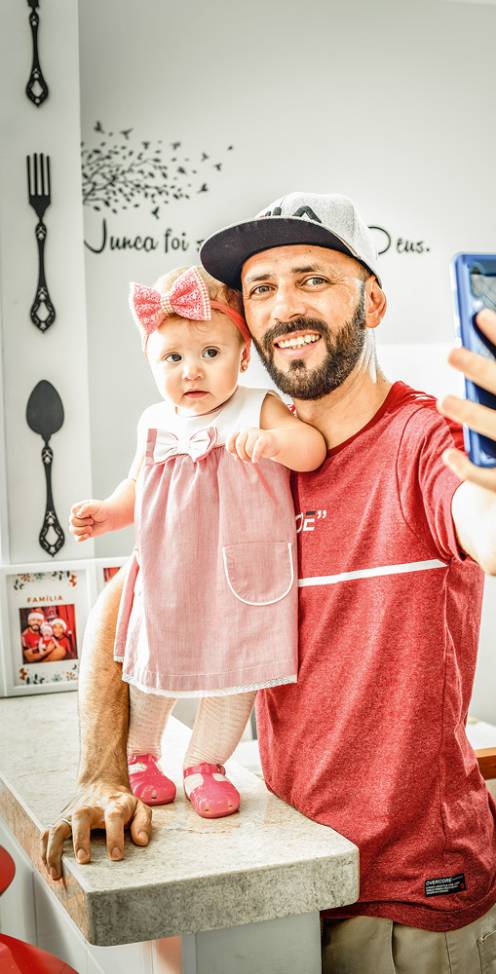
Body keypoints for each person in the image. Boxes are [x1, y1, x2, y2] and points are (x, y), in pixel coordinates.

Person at [42, 193, 496, 973]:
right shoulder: (235, 452)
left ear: (372, 298)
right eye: (263, 287)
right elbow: (129, 597)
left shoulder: (420, 441)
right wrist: (103, 772)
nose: (284, 306)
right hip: (291, 879)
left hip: (415, 908)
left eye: (312, 278)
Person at [68, 264, 326, 819]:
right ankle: (141, 754)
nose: (192, 371)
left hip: (243, 570)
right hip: (171, 570)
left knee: (237, 672)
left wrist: (275, 441)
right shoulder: (154, 421)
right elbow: (137, 486)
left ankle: (205, 763)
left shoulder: (257, 406)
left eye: (210, 353)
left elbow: (312, 448)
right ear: (151, 362)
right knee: (156, 663)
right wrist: (108, 514)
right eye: (172, 358)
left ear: (242, 356)